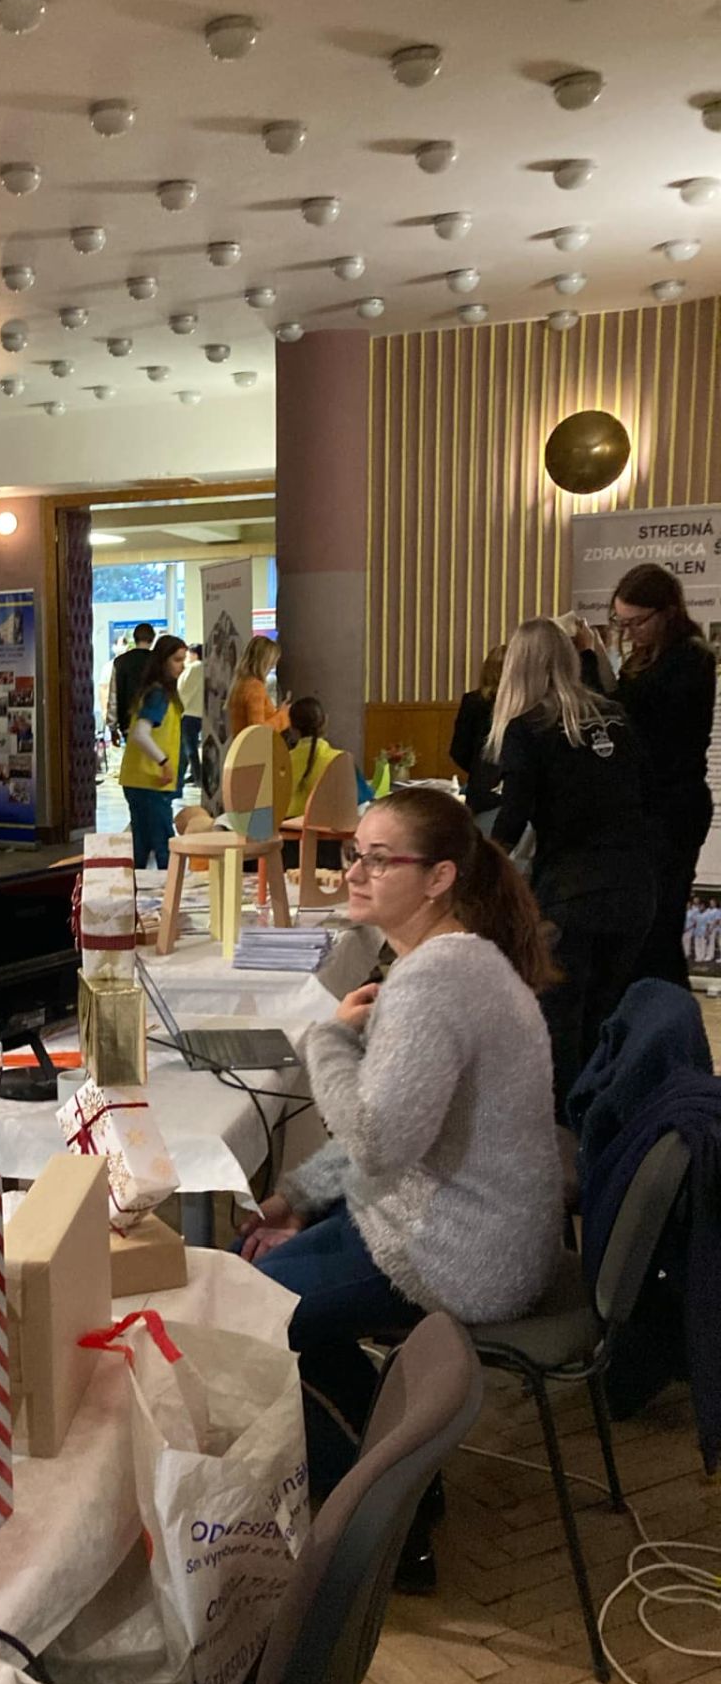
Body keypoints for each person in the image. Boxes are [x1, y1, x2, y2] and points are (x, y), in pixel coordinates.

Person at [237, 788, 561, 1574]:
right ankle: (400, 1480)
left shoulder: (433, 984)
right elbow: (401, 1138)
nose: (355, 872)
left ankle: (377, 1528)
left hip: (460, 1254)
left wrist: (326, 1041)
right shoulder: (454, 962)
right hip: (452, 1227)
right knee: (258, 1292)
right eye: (356, 853)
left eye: (380, 860)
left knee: (243, 1325)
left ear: (439, 878)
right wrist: (296, 1197)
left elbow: (380, 1142)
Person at [487, 619, 655, 1114]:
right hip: (635, 889)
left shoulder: (527, 728)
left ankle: (566, 1140)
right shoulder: (616, 716)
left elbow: (512, 819)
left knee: (559, 1030)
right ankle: (604, 1133)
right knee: (607, 1021)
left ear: (518, 667)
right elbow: (645, 795)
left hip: (572, 894)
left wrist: (477, 868)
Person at [578, 564, 718, 987]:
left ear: (668, 612)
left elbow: (631, 719)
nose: (630, 631)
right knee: (640, 923)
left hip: (672, 807)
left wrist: (590, 662)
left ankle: (666, 1012)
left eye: (637, 622)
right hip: (646, 805)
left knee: (659, 924)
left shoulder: (690, 658)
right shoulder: (645, 657)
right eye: (621, 622)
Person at [118, 633, 187, 870]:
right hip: (151, 781)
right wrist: (164, 762)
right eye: (177, 660)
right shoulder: (159, 695)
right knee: (163, 844)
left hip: (140, 779)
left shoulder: (153, 692)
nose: (182, 666)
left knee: (142, 843)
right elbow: (140, 733)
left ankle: (139, 886)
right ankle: (168, 889)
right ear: (163, 661)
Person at [448, 643, 506, 830]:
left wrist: (479, 768)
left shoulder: (472, 701)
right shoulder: (527, 704)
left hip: (481, 790)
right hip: (518, 791)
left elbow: (458, 750)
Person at [285, 697, 343, 819]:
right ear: (325, 721)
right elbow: (362, 802)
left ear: (292, 728)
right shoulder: (340, 759)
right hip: (329, 826)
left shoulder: (282, 761)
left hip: (287, 827)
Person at [226, 635, 291, 741]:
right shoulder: (255, 688)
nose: (272, 666)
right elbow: (257, 731)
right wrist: (283, 716)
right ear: (264, 662)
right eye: (272, 662)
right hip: (256, 749)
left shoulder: (239, 683)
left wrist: (278, 713)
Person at [106, 623, 155, 744]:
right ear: (152, 638)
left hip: (128, 723)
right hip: (155, 723)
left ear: (134, 638)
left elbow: (113, 696)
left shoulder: (120, 662)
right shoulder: (158, 661)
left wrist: (112, 727)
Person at [177, 643, 204, 788]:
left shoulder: (195, 668)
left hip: (189, 712)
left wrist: (178, 708)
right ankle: (192, 775)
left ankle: (197, 776)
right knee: (188, 746)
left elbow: (185, 690)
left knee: (189, 746)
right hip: (198, 712)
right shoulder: (203, 667)